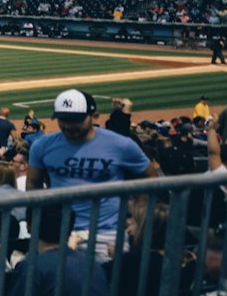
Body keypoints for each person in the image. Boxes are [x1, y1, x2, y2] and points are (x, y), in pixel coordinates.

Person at [26, 88, 152, 258]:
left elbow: (150, 179)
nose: (69, 125)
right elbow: (33, 184)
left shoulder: (121, 145)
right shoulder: (42, 146)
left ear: (95, 116)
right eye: (63, 119)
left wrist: (138, 219)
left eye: (76, 120)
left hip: (107, 234)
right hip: (58, 234)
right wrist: (36, 219)